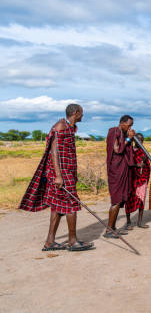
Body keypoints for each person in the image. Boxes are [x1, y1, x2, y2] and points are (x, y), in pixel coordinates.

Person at [19, 104, 94, 251]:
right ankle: (72, 241)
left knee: (58, 206)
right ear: (76, 112)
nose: (83, 116)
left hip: (67, 172)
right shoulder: (61, 126)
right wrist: (59, 176)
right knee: (72, 204)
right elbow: (54, 152)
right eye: (82, 113)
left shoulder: (69, 127)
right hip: (61, 173)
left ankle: (50, 242)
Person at [104, 115, 135, 238]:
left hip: (123, 170)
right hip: (116, 171)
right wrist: (128, 139)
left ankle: (113, 227)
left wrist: (129, 139)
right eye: (129, 124)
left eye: (131, 125)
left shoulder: (122, 133)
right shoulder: (114, 131)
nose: (130, 127)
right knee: (116, 200)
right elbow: (117, 150)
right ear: (122, 123)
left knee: (121, 199)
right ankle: (108, 230)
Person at [125, 133, 150, 229]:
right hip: (132, 178)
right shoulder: (130, 151)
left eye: (142, 140)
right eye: (138, 140)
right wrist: (137, 165)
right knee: (129, 199)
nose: (140, 142)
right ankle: (128, 222)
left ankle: (140, 222)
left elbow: (147, 166)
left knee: (142, 199)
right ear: (134, 141)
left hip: (142, 178)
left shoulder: (144, 152)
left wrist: (144, 160)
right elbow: (128, 163)